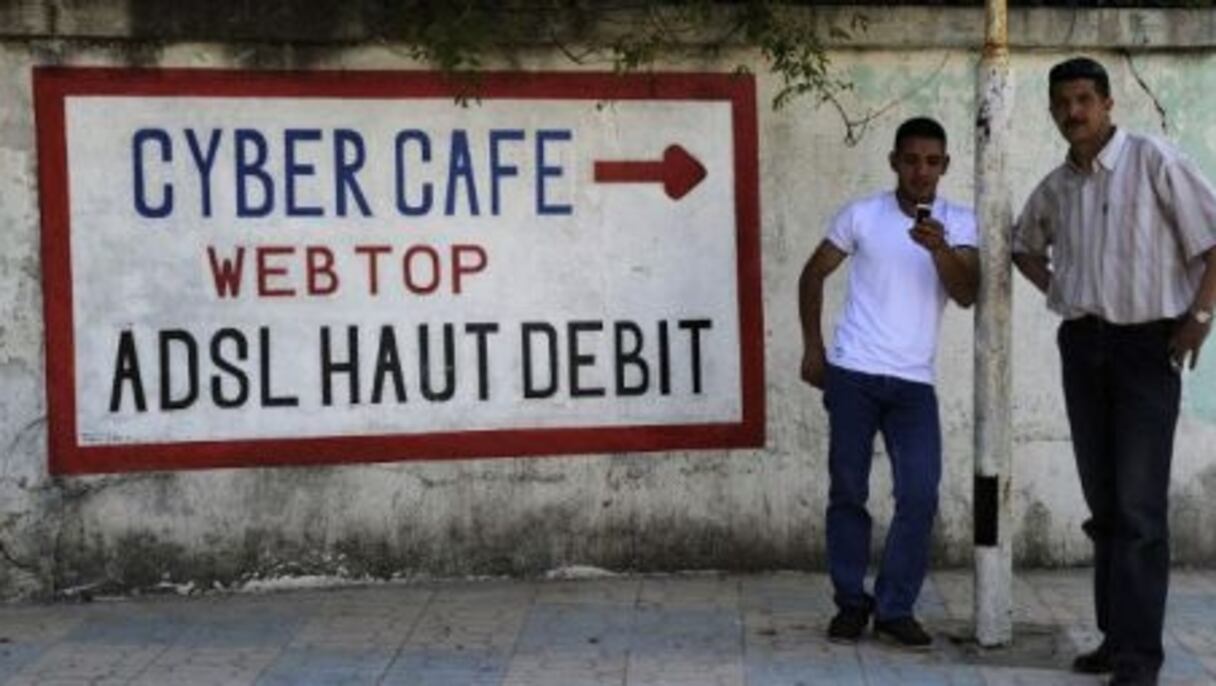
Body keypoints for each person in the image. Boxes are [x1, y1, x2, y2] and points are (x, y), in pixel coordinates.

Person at [1013, 57, 1216, 686]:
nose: (1073, 113)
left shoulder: (1154, 161)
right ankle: (1114, 638)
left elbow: (1212, 242)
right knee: (1103, 504)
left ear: (1106, 103)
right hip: (1084, 347)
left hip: (1145, 351)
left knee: (1137, 508)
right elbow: (1023, 246)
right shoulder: (1057, 186)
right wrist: (1065, 290)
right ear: (1052, 112)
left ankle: (1138, 658)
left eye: (1083, 100)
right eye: (1062, 104)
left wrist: (1199, 318)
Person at [798, 117, 979, 648]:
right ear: (894, 162)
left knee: (919, 494)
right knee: (848, 491)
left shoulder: (960, 223)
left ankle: (895, 606)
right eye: (911, 159)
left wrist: (939, 249)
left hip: (912, 382)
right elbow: (813, 274)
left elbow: (968, 294)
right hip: (853, 373)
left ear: (945, 165)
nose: (921, 171)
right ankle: (851, 603)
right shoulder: (863, 214)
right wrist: (814, 349)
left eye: (932, 161)